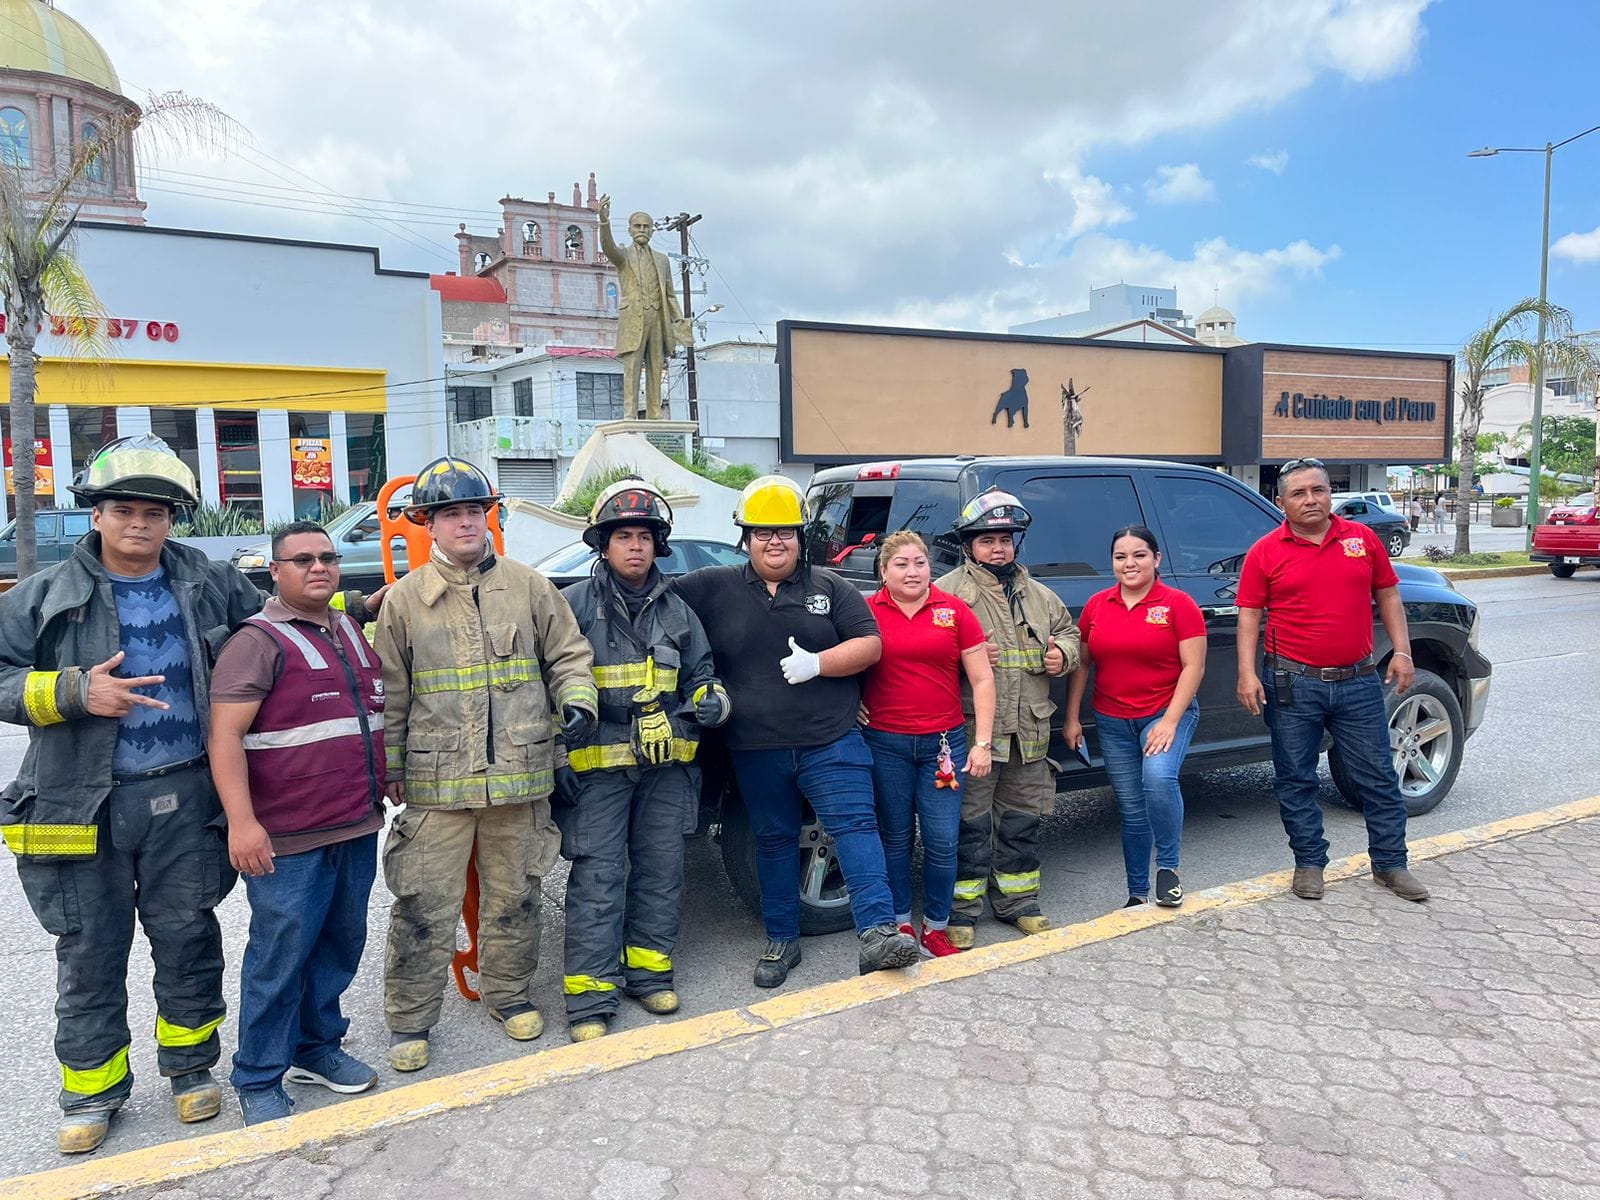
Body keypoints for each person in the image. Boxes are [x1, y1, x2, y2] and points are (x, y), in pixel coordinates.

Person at [0, 435, 375, 1154]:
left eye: (154, 511)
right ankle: (92, 1091)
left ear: (171, 519)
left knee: (188, 939)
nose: (139, 523)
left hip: (183, 799)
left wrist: (364, 601)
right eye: (124, 509)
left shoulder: (203, 581)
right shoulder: (44, 596)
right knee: (89, 951)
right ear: (97, 516)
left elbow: (279, 608)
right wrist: (74, 690)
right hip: (82, 804)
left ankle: (189, 1070)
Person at [374, 457, 598, 1072]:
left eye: (475, 510)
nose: (466, 522)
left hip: (522, 778)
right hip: (436, 783)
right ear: (429, 524)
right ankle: (411, 1020)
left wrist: (576, 700)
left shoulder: (529, 586)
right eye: (451, 514)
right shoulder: (403, 602)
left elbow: (569, 656)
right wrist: (388, 769)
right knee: (422, 904)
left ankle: (509, 995)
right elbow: (390, 694)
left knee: (516, 896)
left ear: (489, 517)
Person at [672, 475, 919, 986]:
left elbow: (870, 645)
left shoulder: (832, 588)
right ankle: (782, 940)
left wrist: (820, 663)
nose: (775, 541)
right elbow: (653, 596)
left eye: (785, 531)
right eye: (762, 532)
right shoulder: (712, 586)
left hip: (831, 740)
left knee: (855, 828)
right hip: (756, 748)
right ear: (746, 538)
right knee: (774, 840)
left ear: (801, 537)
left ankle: (877, 934)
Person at [208, 521, 386, 1125]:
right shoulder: (256, 643)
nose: (319, 568)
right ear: (275, 572)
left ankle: (317, 1048)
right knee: (280, 955)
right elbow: (225, 736)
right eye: (302, 559)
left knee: (339, 946)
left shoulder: (350, 632)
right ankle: (258, 1073)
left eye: (328, 558)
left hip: (354, 824)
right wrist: (242, 824)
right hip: (287, 838)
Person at [555, 479, 730, 1042]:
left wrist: (707, 704)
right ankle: (589, 996)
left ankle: (649, 974)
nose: (635, 546)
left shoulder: (679, 612)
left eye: (645, 537)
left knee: (660, 873)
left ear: (659, 546)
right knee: (598, 876)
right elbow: (550, 683)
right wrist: (563, 746)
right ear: (602, 545)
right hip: (598, 772)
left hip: (668, 770)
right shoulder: (573, 607)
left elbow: (703, 677)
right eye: (623, 536)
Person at [1235, 457, 1429, 903]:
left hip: (1359, 681)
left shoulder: (1361, 540)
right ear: (1281, 502)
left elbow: (1388, 595)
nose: (1310, 500)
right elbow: (1249, 616)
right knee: (1295, 778)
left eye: (1318, 490)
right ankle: (1309, 862)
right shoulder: (1266, 550)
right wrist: (1246, 674)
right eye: (1299, 493)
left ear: (1329, 494)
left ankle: (1390, 864)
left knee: (1378, 776)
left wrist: (1402, 652)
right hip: (1292, 681)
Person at [935, 488, 1080, 948]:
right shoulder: (948, 593)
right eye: (987, 539)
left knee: (1022, 821)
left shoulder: (1041, 596)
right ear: (967, 544)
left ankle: (1019, 902)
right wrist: (961, 657)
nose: (998, 548)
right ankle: (962, 911)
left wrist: (1064, 655)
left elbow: (1071, 634)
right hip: (975, 733)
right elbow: (921, 654)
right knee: (969, 824)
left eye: (1005, 539)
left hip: (1030, 735)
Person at [860, 531, 995, 957]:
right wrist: (851, 706)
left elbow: (982, 677)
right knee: (895, 838)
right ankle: (900, 921)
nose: (912, 571)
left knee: (941, 839)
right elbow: (842, 664)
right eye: (901, 564)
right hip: (886, 743)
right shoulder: (865, 612)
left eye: (919, 562)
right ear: (884, 571)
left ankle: (936, 926)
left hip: (944, 747)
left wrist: (983, 743)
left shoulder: (954, 611)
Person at [1063, 526, 1206, 909]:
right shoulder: (1097, 605)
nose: (1130, 564)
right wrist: (1073, 717)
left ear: (1156, 559)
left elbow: (1193, 667)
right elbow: (1083, 664)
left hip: (1163, 713)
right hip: (1112, 721)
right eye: (1121, 556)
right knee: (1131, 807)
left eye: (1139, 555)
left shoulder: (1178, 604)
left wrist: (1170, 722)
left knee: (1158, 779)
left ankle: (1169, 869)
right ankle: (1137, 892)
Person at [598, 193, 691, 421]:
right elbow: (608, 247)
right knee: (632, 367)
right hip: (633, 320)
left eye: (646, 226)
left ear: (652, 230)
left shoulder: (662, 259)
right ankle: (629, 414)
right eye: (637, 226)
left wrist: (678, 319)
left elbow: (670, 294)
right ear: (629, 230)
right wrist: (604, 221)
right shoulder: (623, 255)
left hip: (658, 320)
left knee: (656, 367)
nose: (642, 229)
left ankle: (654, 413)